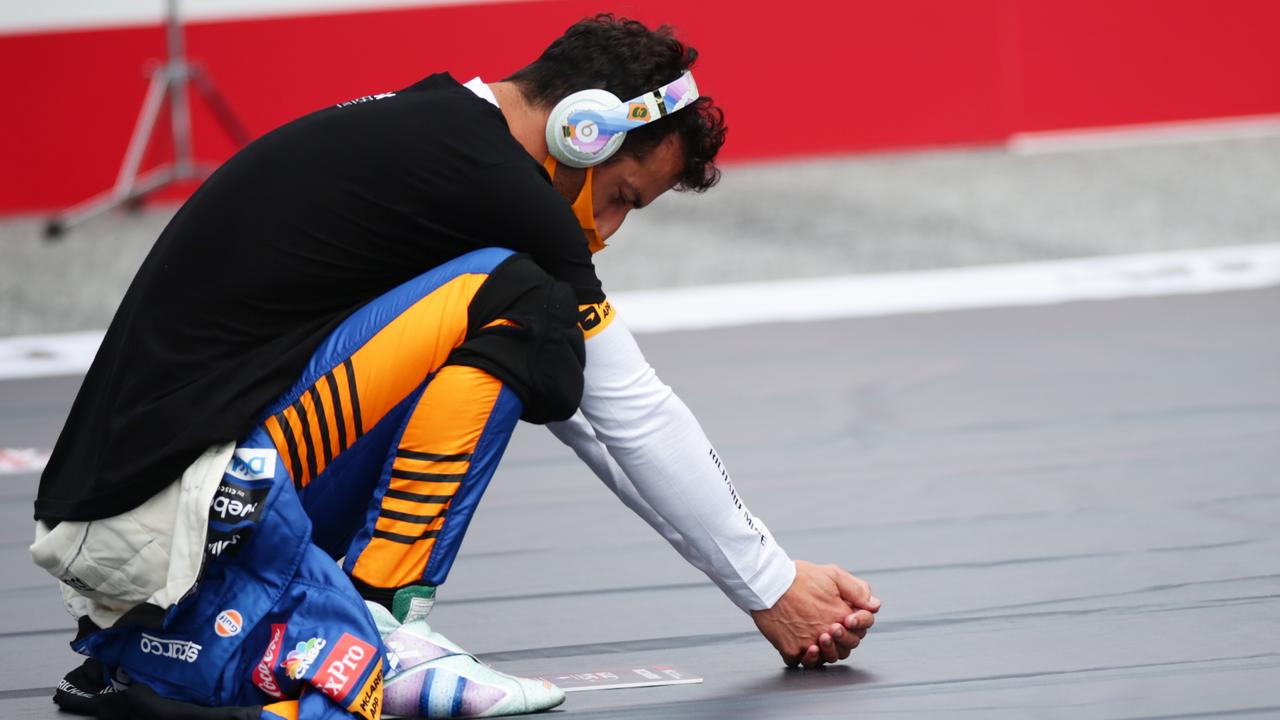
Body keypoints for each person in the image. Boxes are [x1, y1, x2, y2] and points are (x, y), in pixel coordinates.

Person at [31, 14, 880, 720]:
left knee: (520, 321)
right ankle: (378, 629)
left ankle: (217, 634)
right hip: (171, 519)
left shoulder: (428, 142)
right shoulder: (492, 185)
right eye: (620, 195)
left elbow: (587, 408)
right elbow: (628, 412)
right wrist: (771, 584)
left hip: (140, 531)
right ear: (581, 131)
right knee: (525, 302)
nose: (609, 231)